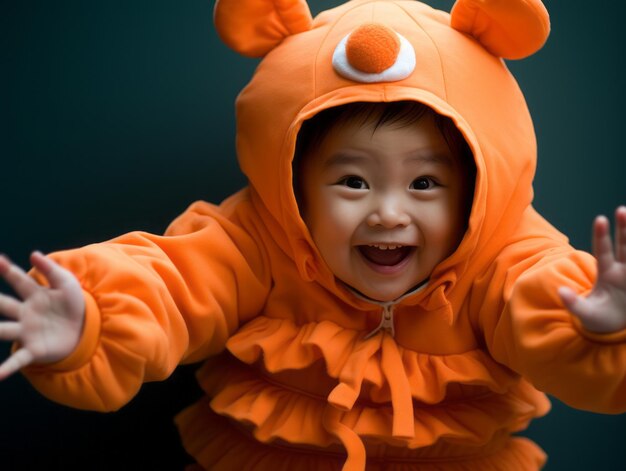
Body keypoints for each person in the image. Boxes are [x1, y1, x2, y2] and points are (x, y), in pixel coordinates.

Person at [1, 0, 625, 469]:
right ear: (292, 184)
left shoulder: (502, 252)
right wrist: (95, 320)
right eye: (352, 182)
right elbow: (171, 279)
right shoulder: (255, 238)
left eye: (425, 185)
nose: (387, 213)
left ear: (477, 191)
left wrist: (592, 323)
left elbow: (534, 291)